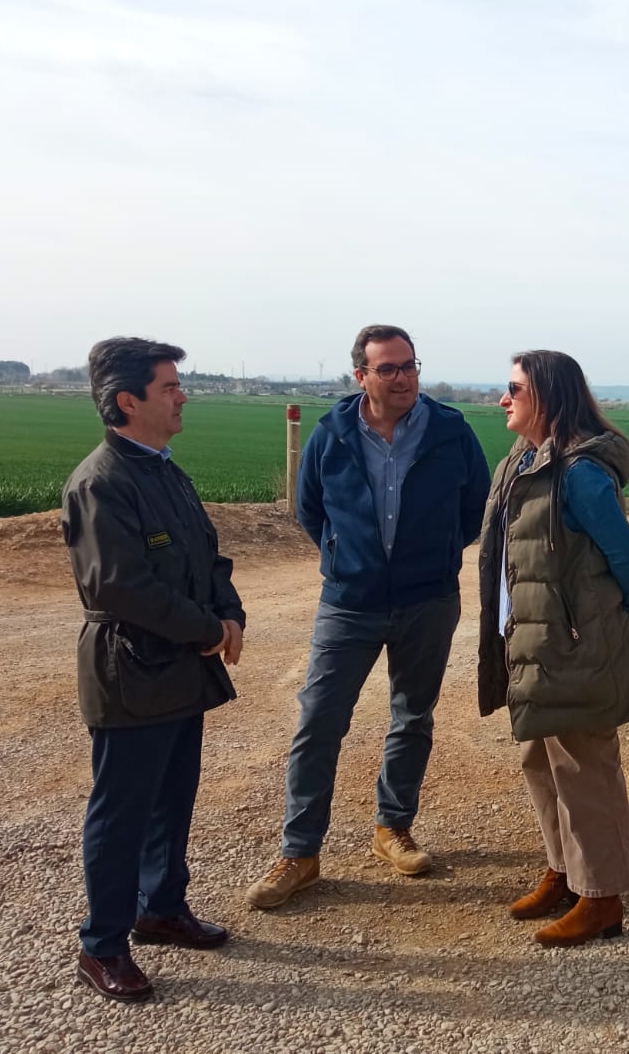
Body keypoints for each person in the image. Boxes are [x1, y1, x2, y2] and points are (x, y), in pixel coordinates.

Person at [246, 325, 491, 909]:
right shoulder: (332, 434)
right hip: (349, 603)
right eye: (389, 369)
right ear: (362, 376)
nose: (404, 377)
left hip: (427, 599)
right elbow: (309, 510)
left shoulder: (451, 430)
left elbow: (473, 508)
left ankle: (393, 827)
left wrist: (430, 556)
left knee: (412, 716)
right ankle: (300, 853)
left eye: (410, 366)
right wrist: (345, 557)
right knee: (320, 720)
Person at [62, 337, 245, 1001]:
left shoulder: (165, 469)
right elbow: (122, 587)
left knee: (172, 799)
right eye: (169, 386)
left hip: (179, 669)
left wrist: (231, 610)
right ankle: (102, 944)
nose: (182, 395)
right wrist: (209, 629)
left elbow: (206, 554)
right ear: (126, 401)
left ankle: (161, 908)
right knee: (122, 812)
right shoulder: (101, 482)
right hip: (132, 669)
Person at [477, 350, 629, 947]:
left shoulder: (579, 472)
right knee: (541, 760)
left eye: (515, 388)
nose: (504, 398)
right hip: (527, 641)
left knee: (585, 768)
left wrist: (614, 618)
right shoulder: (520, 463)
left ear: (548, 397)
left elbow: (627, 559)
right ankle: (566, 871)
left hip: (572, 644)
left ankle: (602, 899)